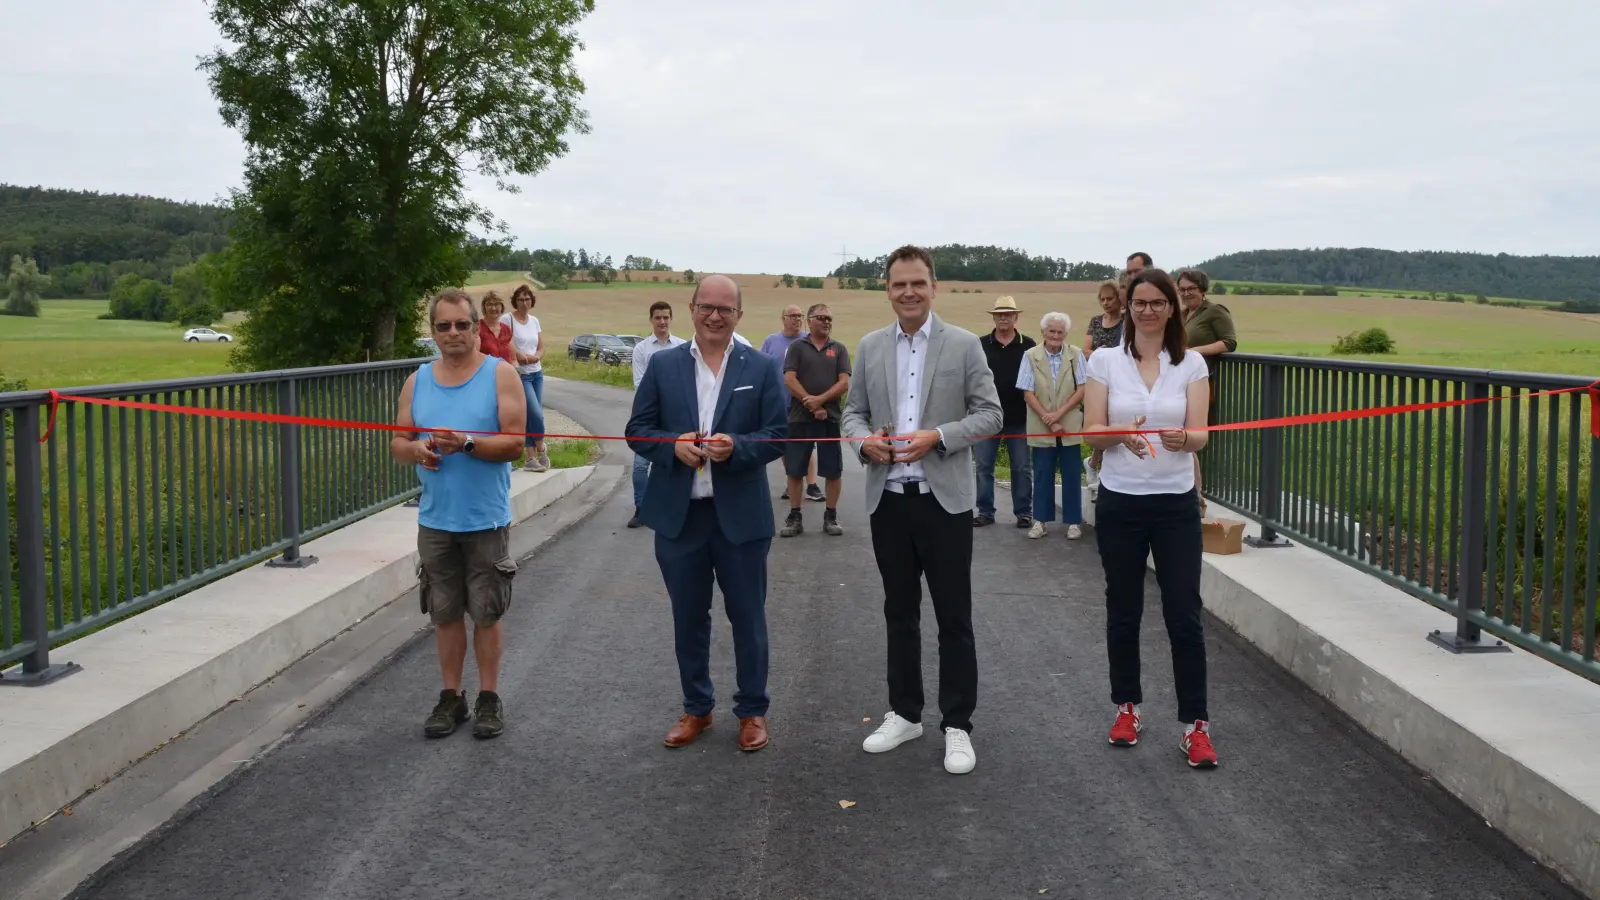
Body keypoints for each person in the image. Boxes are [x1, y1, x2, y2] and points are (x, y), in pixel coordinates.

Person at [842, 245, 1002, 776]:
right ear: (887, 290)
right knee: (899, 612)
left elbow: (990, 414)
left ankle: (957, 724)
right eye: (898, 284)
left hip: (944, 503)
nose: (908, 292)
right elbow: (853, 413)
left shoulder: (963, 345)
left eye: (917, 283)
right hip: (888, 501)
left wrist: (940, 436)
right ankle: (905, 713)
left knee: (954, 616)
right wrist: (863, 442)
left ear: (934, 287)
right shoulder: (870, 347)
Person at [625, 274, 788, 753]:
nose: (715, 316)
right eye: (707, 307)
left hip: (741, 517)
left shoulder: (761, 366)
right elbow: (638, 430)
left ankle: (752, 710)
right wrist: (671, 446)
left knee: (748, 618)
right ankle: (697, 707)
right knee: (689, 618)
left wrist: (737, 446)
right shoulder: (663, 365)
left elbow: (778, 435)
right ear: (692, 308)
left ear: (739, 315)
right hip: (681, 518)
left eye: (725, 309)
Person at [1082, 267, 1217, 769]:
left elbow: (1200, 434)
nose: (1147, 311)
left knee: (1184, 613)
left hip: (1175, 504)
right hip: (1121, 502)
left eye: (1158, 302)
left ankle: (1195, 725)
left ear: (1171, 308)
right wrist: (1122, 433)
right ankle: (1127, 708)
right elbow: (1091, 432)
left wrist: (1184, 439)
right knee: (1124, 610)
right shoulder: (1104, 361)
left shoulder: (1191, 364)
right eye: (1139, 302)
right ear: (1128, 307)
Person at [391, 289, 527, 740]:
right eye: (443, 326)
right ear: (433, 332)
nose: (453, 333)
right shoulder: (417, 381)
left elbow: (515, 443)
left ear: (476, 328)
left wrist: (467, 443)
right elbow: (398, 443)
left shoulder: (500, 374)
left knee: (486, 612)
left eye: (462, 325)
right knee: (444, 613)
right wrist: (416, 450)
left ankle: (489, 697)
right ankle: (452, 697)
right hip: (435, 519)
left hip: (485, 519)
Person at [779, 303, 851, 538]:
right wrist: (811, 404)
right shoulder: (797, 347)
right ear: (809, 321)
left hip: (829, 418)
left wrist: (820, 401)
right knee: (795, 469)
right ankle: (795, 516)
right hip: (799, 418)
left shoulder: (839, 348)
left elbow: (844, 382)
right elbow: (790, 379)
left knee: (833, 470)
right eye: (821, 318)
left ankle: (831, 515)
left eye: (829, 318)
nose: (826, 322)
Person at [1018, 312, 1088, 540]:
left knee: (1072, 475)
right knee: (1042, 475)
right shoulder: (1030, 355)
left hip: (1069, 425)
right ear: (1043, 332)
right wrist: (1048, 418)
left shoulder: (1076, 354)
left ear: (1065, 334)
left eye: (1060, 332)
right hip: (1041, 425)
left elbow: (1082, 389)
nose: (1056, 336)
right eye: (1052, 331)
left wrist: (1058, 415)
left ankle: (1074, 522)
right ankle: (1040, 521)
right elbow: (1027, 392)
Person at [1177, 268, 1236, 515]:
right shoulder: (1182, 315)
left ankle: (1196, 498)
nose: (1186, 294)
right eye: (1182, 289)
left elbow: (1229, 342)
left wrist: (1194, 352)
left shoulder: (1215, 311)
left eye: (1191, 289)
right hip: (1178, 382)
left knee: (1189, 440)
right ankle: (1194, 498)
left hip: (1200, 383)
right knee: (1182, 440)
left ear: (1202, 290)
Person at [973, 296, 1036, 529]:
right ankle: (985, 512)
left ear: (1015, 317)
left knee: (1021, 467)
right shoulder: (980, 344)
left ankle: (1024, 512)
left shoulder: (1028, 345)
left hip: (1019, 417)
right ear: (994, 318)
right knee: (983, 467)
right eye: (999, 314)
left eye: (1008, 314)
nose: (1003, 318)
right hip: (986, 416)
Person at [628, 300, 687, 528]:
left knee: (675, 462)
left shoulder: (682, 347)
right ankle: (641, 508)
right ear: (651, 320)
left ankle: (673, 507)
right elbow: (640, 384)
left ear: (671, 319)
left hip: (676, 416)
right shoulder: (642, 349)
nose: (662, 322)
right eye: (658, 318)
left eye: (666, 317)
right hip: (650, 416)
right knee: (640, 465)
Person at [760, 305, 822, 502]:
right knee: (786, 446)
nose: (797, 319)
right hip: (779, 402)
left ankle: (811, 485)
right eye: (793, 316)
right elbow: (762, 370)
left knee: (806, 445)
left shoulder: (809, 340)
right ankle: (792, 481)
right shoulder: (771, 341)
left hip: (803, 402)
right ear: (783, 319)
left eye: (800, 316)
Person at [1081, 280, 1126, 489]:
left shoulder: (1126, 322)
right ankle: (1096, 467)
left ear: (1119, 299)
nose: (1106, 303)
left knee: (1113, 422)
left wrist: (1102, 355)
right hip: (1098, 379)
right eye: (1102, 299)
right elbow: (1085, 350)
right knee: (1101, 423)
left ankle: (1095, 465)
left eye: (1110, 299)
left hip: (1119, 378)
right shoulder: (1096, 321)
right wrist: (1102, 355)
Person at [503, 285, 548, 472]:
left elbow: (541, 347)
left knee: (532, 415)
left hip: (537, 372)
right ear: (515, 301)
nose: (524, 303)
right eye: (521, 299)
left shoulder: (534, 321)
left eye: (527, 299)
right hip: (521, 374)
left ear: (532, 301)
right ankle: (541, 448)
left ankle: (530, 458)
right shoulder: (508, 319)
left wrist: (536, 357)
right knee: (535, 413)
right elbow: (507, 343)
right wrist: (522, 356)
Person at [477, 292, 517, 368]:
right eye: (489, 304)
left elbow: (513, 359)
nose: (493, 308)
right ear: (484, 307)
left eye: (497, 304)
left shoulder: (506, 329)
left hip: (506, 373)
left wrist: (515, 370)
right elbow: (473, 359)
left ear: (502, 307)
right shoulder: (477, 328)